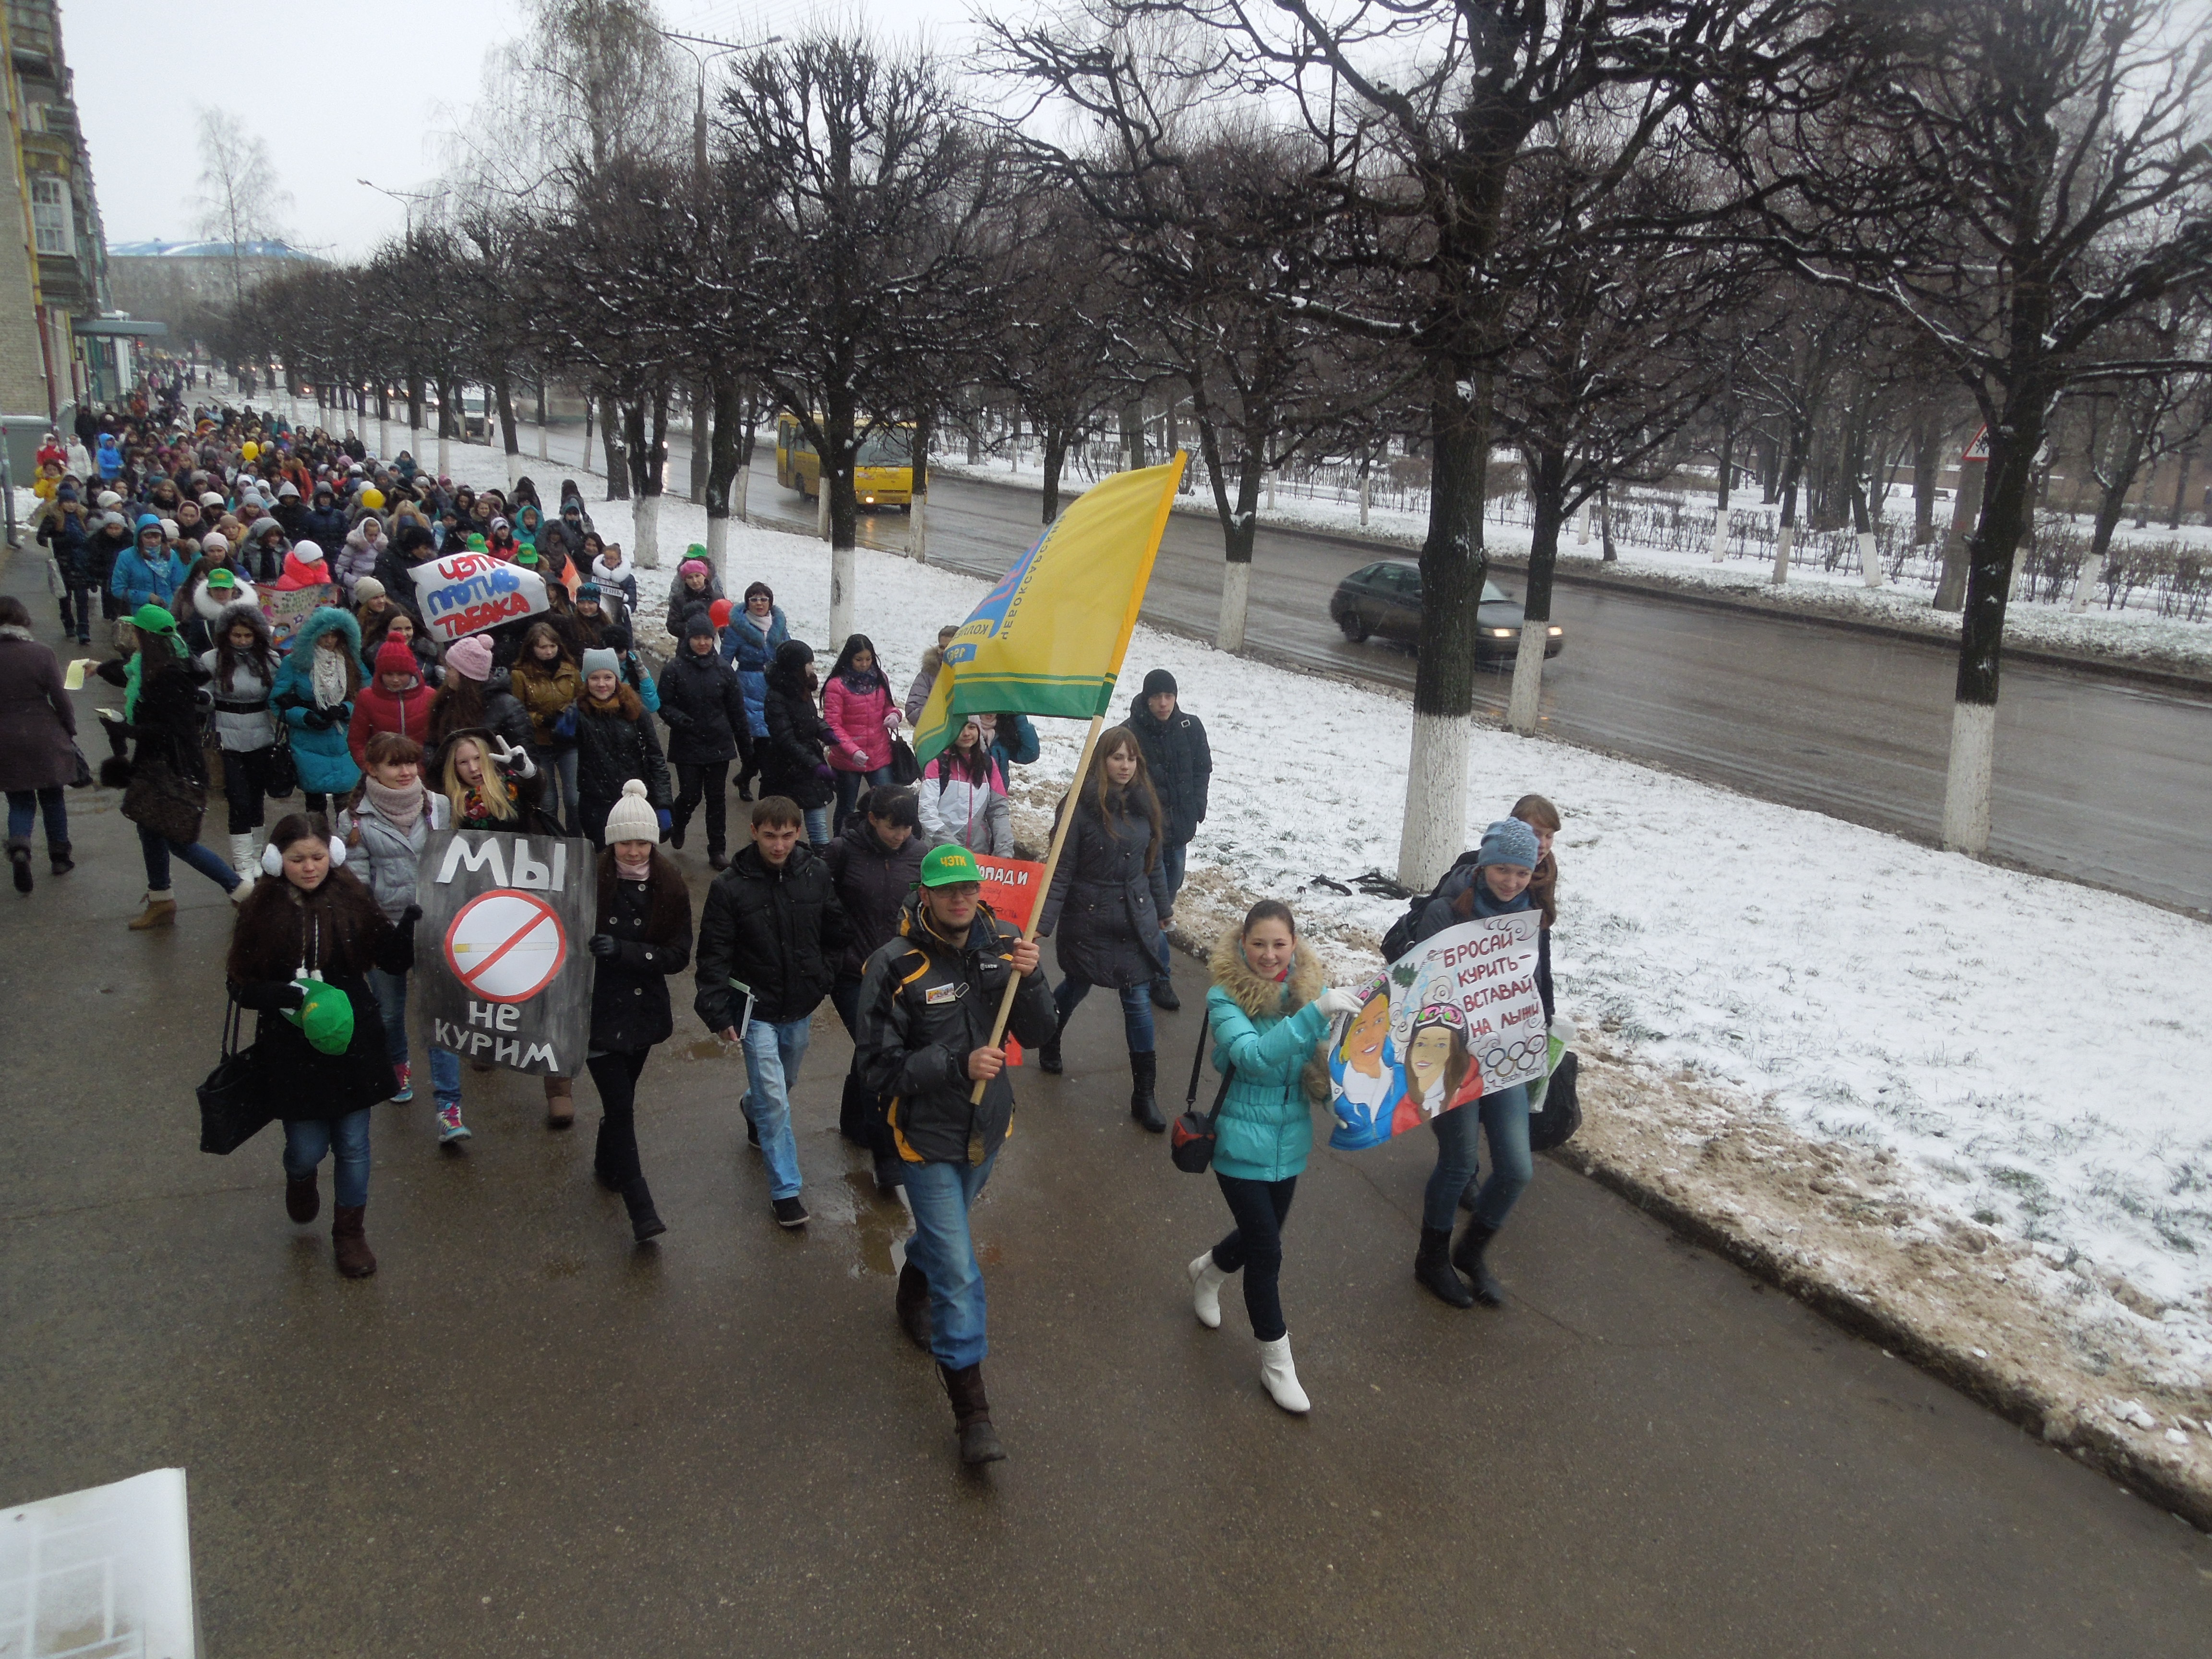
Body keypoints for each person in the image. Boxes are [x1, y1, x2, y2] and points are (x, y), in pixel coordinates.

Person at [853, 842, 1055, 1466]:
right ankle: (974, 1416)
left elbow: (1041, 1032)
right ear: (926, 896)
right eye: (947, 891)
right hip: (925, 1142)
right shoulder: (891, 966)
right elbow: (875, 1070)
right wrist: (954, 1065)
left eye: (968, 888)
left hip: (987, 1134)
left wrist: (1034, 975)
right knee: (961, 1272)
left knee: (944, 1244)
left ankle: (913, 1284)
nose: (960, 899)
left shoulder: (1005, 942)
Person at [1186, 901, 1364, 1413]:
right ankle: (1277, 1367)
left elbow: (1316, 1063)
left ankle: (1209, 1272)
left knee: (1258, 1237)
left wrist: (1343, 1105)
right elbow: (1255, 1059)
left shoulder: (1308, 992)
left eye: (1279, 944)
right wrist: (1316, 1013)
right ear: (1243, 943)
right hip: (1238, 1144)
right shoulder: (1226, 998)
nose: (1268, 955)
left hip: (1290, 1142)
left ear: (1294, 945)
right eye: (1259, 943)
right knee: (1268, 1253)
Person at [227, 812, 418, 1278]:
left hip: (353, 1046)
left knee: (354, 1145)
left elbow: (392, 959)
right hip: (292, 1054)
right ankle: (300, 1174)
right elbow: (240, 986)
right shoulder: (260, 912)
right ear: (276, 860)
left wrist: (409, 924)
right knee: (307, 1147)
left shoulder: (353, 901)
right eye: (298, 859)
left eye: (316, 857)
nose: (309, 867)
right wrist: (279, 995)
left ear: (331, 857)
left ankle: (350, 1233)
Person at [692, 794, 848, 1229]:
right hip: (755, 1009)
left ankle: (751, 1107)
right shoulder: (730, 886)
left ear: (799, 833)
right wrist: (717, 1009)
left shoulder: (816, 873)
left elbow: (836, 932)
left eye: (786, 836)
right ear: (754, 832)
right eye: (769, 836)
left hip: (800, 1005)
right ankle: (786, 1191)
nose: (778, 846)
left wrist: (823, 977)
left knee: (785, 1081)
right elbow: (713, 954)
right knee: (776, 1099)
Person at [1406, 817, 1544, 1308]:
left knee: (1517, 1169)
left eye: (1522, 874)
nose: (1511, 883)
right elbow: (1423, 992)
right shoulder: (1447, 913)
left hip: (1505, 1056)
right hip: (1452, 1057)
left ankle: (1471, 1251)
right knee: (1460, 1160)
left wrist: (1541, 1045)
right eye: (1503, 870)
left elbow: (1536, 991)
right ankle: (1432, 1257)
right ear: (1485, 865)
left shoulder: (1531, 919)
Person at [1035, 728, 1173, 1131]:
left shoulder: (1146, 805)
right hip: (1090, 914)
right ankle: (1050, 1034)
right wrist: (1042, 925)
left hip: (1134, 914)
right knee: (1077, 984)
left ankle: (1144, 1094)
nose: (1125, 766)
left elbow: (1155, 863)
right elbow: (1061, 870)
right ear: (1102, 760)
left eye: (1131, 758)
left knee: (1137, 1000)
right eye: (1117, 757)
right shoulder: (1079, 806)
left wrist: (1164, 909)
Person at [584, 780, 694, 1243]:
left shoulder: (669, 885)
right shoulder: (589, 879)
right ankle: (640, 1205)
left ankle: (606, 1164)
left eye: (641, 841)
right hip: (596, 1014)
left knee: (621, 1100)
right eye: (625, 842)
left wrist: (626, 952)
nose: (633, 851)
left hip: (642, 1014)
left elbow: (678, 955)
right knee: (623, 1106)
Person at [95, 608, 247, 927]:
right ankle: (161, 898)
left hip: (174, 767)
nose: (132, 636)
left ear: (146, 636)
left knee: (179, 840)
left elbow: (173, 729)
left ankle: (244, 894)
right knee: (148, 828)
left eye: (136, 631)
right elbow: (125, 677)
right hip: (157, 764)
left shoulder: (167, 676)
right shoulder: (149, 667)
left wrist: (126, 729)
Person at [337, 733, 458, 1132]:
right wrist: (371, 933)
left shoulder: (439, 806)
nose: (406, 772)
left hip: (435, 925)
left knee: (440, 1014)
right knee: (389, 1011)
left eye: (411, 763)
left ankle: (449, 1106)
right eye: (394, 764)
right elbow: (356, 886)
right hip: (385, 930)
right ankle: (397, 1065)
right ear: (372, 769)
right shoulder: (354, 819)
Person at [822, 784, 924, 1192]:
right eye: (892, 827)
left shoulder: (920, 855)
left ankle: (853, 1122)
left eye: (907, 827)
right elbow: (820, 904)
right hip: (850, 972)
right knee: (877, 1049)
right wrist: (837, 942)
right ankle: (885, 1156)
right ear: (872, 819)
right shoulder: (841, 851)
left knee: (868, 1048)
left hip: (896, 975)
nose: (901, 835)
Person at [1126, 669, 1212, 1010]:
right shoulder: (1130, 732)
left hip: (1178, 834)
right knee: (1156, 907)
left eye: (1169, 696)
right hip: (1147, 839)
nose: (1163, 703)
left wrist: (1197, 808)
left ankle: (1141, 952)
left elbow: (1202, 769)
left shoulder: (1190, 728)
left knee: (1166, 901)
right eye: (1157, 697)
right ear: (1147, 698)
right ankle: (1159, 977)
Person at [657, 608, 754, 869]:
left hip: (718, 745)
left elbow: (737, 713)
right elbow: (662, 704)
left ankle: (717, 850)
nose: (703, 643)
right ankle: (679, 825)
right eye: (697, 638)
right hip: (687, 743)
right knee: (690, 794)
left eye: (708, 638)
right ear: (688, 639)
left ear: (714, 640)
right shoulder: (674, 669)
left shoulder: (724, 671)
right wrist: (680, 720)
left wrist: (748, 754)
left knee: (716, 798)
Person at [200, 602, 284, 878]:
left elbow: (276, 695)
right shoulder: (212, 660)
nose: (243, 641)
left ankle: (256, 856)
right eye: (237, 636)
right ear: (226, 634)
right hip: (227, 735)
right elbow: (206, 693)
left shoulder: (270, 660)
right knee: (238, 800)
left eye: (248, 636)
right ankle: (242, 862)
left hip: (261, 734)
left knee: (257, 797)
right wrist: (204, 698)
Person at [0, 595, 76, 889]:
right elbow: (60, 698)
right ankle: (59, 857)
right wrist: (69, 728)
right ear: (23, 621)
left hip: (5, 740)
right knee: (53, 797)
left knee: (19, 800)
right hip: (43, 734)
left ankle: (20, 848)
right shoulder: (41, 653)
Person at [573, 646, 671, 849]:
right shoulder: (577, 713)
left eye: (608, 678)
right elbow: (560, 749)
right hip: (596, 804)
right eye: (594, 678)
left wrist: (663, 804)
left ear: (616, 679)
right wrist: (560, 731)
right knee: (604, 863)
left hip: (634, 802)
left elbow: (655, 759)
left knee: (636, 861)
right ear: (586, 681)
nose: (602, 684)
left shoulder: (635, 711)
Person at [272, 608, 364, 815]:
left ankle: (347, 847)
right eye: (324, 635)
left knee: (347, 806)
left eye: (334, 635)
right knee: (315, 808)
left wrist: (345, 709)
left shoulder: (350, 662)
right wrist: (306, 717)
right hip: (308, 743)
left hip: (343, 740)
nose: (329, 641)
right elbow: (277, 702)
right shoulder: (294, 663)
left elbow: (364, 697)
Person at [759, 639, 838, 847]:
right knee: (781, 830)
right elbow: (785, 739)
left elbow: (809, 719)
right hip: (785, 771)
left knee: (819, 832)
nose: (812, 667)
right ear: (796, 667)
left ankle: (821, 868)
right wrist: (816, 765)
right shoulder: (776, 697)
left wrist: (825, 731)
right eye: (808, 663)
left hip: (808, 769)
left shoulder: (802, 689)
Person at [509, 621, 581, 834]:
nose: (549, 652)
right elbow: (517, 711)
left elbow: (581, 698)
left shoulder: (570, 670)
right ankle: (552, 844)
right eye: (543, 647)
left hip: (568, 741)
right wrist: (542, 719)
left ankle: (576, 843)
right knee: (548, 803)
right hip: (540, 744)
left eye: (552, 646)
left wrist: (569, 713)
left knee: (575, 801)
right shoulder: (520, 675)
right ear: (532, 648)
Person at [821, 633, 898, 832]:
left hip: (879, 754)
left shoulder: (880, 679)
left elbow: (889, 706)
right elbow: (833, 724)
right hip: (847, 760)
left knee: (886, 804)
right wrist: (852, 750)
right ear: (849, 658)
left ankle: (880, 843)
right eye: (859, 660)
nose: (864, 664)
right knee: (846, 807)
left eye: (868, 659)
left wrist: (894, 715)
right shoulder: (836, 686)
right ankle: (841, 845)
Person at [721, 581, 787, 790]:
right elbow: (724, 662)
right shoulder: (737, 629)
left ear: (770, 602)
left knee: (769, 741)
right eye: (754, 599)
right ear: (748, 603)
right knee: (760, 741)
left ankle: (746, 776)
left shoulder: (779, 626)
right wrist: (730, 688)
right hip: (748, 686)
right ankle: (759, 783)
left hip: (774, 688)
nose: (759, 603)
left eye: (764, 599)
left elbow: (788, 653)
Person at [917, 716, 1012, 854]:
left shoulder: (988, 764)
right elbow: (927, 811)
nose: (966, 733)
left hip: (978, 853)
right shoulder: (937, 763)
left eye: (972, 727)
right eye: (960, 728)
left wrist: (1004, 851)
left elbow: (999, 810)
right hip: (940, 851)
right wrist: (954, 848)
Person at [348, 638, 434, 767]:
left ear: (411, 673)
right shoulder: (367, 698)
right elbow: (357, 740)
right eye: (389, 674)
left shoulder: (430, 696)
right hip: (383, 773)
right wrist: (371, 768)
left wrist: (428, 764)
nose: (395, 680)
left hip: (422, 772)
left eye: (401, 674)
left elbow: (438, 738)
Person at [904, 624, 959, 725]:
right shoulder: (928, 674)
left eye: (950, 647)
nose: (945, 652)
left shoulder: (972, 672)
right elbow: (913, 710)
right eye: (942, 647)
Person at [663, 552, 722, 640]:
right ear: (685, 580)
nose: (695, 581)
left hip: (714, 646)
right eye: (690, 578)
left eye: (698, 576)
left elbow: (726, 625)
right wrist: (695, 627)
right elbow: (672, 626)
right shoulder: (679, 599)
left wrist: (716, 628)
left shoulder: (717, 598)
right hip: (686, 647)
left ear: (705, 576)